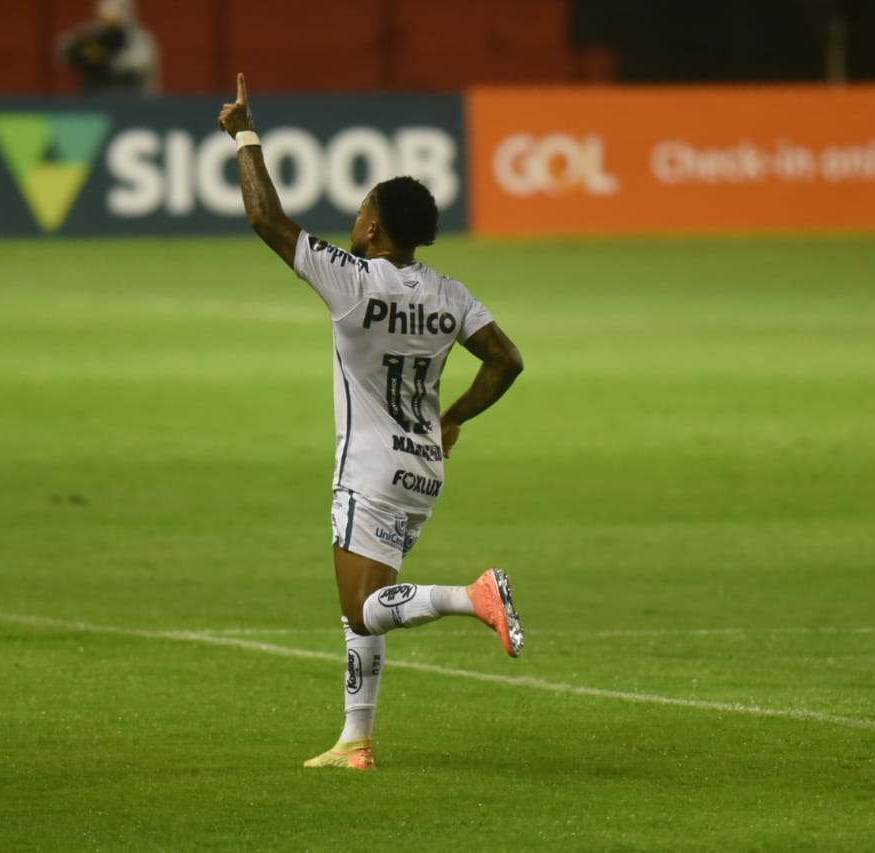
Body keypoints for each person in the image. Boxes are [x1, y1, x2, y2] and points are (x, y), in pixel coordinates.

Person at [218, 74, 526, 771]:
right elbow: (506, 360)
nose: (355, 220)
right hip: (424, 469)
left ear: (373, 228)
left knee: (364, 608)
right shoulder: (450, 294)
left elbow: (268, 220)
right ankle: (355, 740)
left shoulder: (354, 281)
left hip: (370, 467)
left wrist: (244, 134)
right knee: (367, 600)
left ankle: (473, 596)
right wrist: (451, 418)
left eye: (361, 211)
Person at [59, 0, 159, 94]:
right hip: (96, 96)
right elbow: (65, 50)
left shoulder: (139, 39)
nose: (111, 16)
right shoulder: (93, 35)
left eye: (115, 11)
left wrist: (105, 59)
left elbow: (137, 64)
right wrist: (82, 55)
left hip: (131, 96)